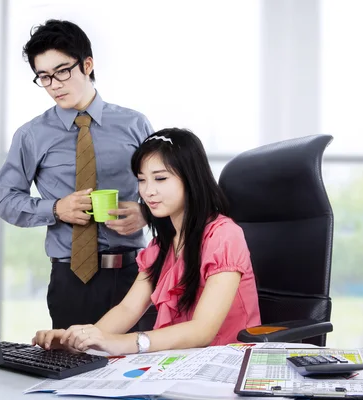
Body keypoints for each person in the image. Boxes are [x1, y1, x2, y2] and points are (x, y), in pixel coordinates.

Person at [32, 128, 261, 355]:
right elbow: (128, 308)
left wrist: (121, 343)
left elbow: (202, 331)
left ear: (191, 178)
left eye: (160, 178)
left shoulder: (223, 236)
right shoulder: (161, 245)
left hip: (226, 363)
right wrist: (79, 340)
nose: (148, 191)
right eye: (142, 180)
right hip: (178, 363)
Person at [0, 19, 155, 331]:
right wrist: (55, 208)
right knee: (73, 372)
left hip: (133, 277)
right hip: (71, 281)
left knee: (138, 369)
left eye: (62, 71)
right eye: (44, 77)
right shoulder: (32, 135)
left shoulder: (135, 124)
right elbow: (5, 199)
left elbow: (170, 190)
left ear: (87, 64)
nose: (54, 84)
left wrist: (146, 213)